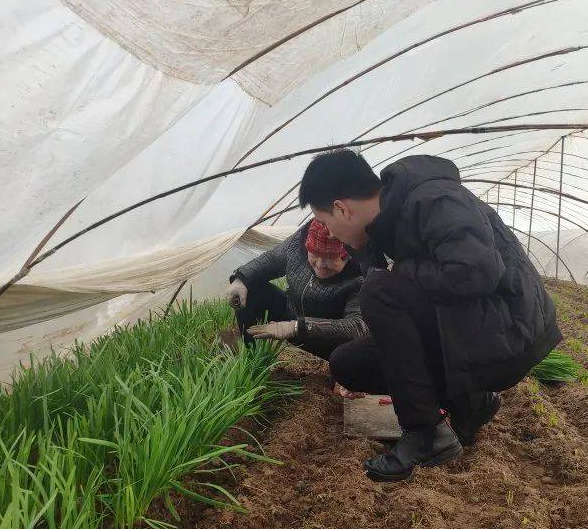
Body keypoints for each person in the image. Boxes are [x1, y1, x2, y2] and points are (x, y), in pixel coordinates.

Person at [299, 149, 562, 482]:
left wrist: (398, 271)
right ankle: (470, 405)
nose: (330, 234)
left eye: (325, 222)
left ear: (341, 208)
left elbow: (476, 271)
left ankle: (426, 434)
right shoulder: (385, 227)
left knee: (379, 290)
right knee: (350, 362)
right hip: (478, 330)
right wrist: (376, 257)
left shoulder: (434, 198)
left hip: (512, 333)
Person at [224, 219, 367, 360]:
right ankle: (252, 358)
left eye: (330, 258)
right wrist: (240, 278)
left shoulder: (361, 276)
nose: (320, 264)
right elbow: (273, 258)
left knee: (349, 356)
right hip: (292, 316)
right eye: (315, 253)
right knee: (250, 286)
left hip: (327, 341)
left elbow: (357, 326)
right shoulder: (300, 243)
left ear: (347, 256)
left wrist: (298, 327)